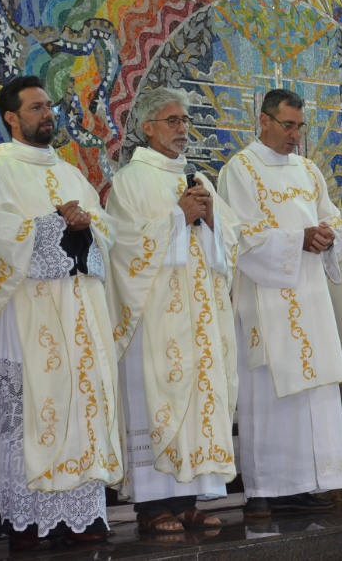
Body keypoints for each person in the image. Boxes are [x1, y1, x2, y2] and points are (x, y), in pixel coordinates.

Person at [0, 76, 121, 550]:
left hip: (77, 309)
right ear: (12, 118)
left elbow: (105, 231)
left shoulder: (72, 172)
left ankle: (83, 513)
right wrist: (57, 224)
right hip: (26, 315)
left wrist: (84, 226)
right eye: (35, 108)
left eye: (49, 107)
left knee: (81, 404)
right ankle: (30, 517)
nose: (47, 115)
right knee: (35, 408)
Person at [106, 88, 240, 534]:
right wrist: (176, 219)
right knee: (157, 402)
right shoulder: (130, 181)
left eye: (185, 121)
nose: (182, 129)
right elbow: (122, 248)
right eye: (172, 121)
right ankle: (152, 506)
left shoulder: (200, 178)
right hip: (157, 316)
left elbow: (229, 247)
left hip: (199, 314)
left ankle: (190, 501)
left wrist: (212, 219)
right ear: (147, 128)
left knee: (199, 402)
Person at [217, 89, 342, 517]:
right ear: (264, 121)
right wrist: (298, 240)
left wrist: (329, 237)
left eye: (300, 126)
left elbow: (332, 217)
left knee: (314, 393)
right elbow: (238, 235)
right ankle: (269, 488)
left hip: (310, 295)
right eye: (288, 125)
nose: (295, 134)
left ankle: (309, 482)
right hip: (267, 300)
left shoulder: (309, 170)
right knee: (271, 394)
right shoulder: (239, 169)